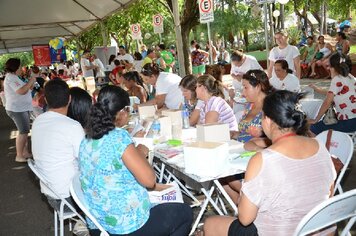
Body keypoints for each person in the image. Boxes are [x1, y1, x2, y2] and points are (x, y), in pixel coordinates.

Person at [204, 90, 336, 236]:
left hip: (281, 232)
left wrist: (245, 191)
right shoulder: (320, 147)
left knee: (211, 223)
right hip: (321, 230)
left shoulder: (262, 159)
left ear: (267, 120)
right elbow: (329, 194)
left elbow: (245, 219)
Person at [80, 85, 193, 235]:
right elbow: (149, 180)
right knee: (185, 211)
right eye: (128, 109)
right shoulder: (118, 137)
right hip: (126, 226)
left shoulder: (87, 138)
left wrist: (137, 151)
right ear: (121, 112)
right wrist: (141, 153)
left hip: (98, 222)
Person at [32, 79, 85, 211]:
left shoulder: (38, 121)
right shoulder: (72, 126)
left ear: (46, 100)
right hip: (70, 199)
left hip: (51, 194)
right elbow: (87, 160)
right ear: (69, 99)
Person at [310, 52, 356, 135]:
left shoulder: (337, 79)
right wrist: (317, 89)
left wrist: (316, 119)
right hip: (353, 120)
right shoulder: (351, 77)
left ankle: (319, 147)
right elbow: (335, 92)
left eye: (329, 66)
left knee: (312, 128)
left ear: (333, 67)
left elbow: (327, 102)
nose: (328, 68)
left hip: (348, 122)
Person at [4, 58, 36, 162]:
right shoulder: (11, 78)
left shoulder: (15, 77)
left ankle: (25, 152)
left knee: (25, 131)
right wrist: (31, 81)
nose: (21, 68)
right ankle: (19, 155)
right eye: (20, 66)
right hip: (17, 109)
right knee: (23, 132)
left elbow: (25, 89)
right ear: (15, 67)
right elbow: (21, 91)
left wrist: (30, 83)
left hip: (21, 108)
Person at [231, 70, 273, 143]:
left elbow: (275, 139)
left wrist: (254, 143)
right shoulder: (249, 106)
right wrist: (234, 134)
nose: (243, 93)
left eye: (245, 88)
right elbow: (246, 135)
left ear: (258, 87)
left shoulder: (271, 107)